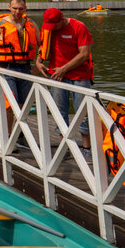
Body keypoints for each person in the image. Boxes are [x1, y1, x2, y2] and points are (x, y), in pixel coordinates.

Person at [35, 8, 94, 148]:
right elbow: (42, 46)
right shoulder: (47, 28)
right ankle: (64, 146)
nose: (51, 29)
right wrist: (38, 61)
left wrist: (64, 69)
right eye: (49, 26)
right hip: (57, 76)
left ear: (61, 20)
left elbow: (84, 54)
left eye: (54, 26)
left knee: (83, 112)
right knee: (59, 111)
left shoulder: (78, 27)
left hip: (80, 76)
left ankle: (87, 147)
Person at [0, 0, 39, 108]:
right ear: (9, 7)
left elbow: (42, 44)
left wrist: (38, 64)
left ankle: (19, 126)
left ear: (25, 8)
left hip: (26, 68)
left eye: (21, 8)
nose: (17, 11)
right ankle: (9, 126)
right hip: (6, 69)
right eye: (15, 8)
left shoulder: (31, 24)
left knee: (24, 105)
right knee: (10, 104)